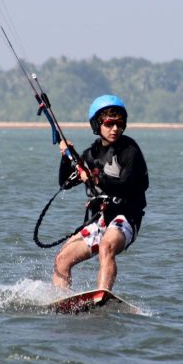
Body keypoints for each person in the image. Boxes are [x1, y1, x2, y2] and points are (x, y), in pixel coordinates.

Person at [52, 94, 149, 291]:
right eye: (109, 123)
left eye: (119, 124)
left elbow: (127, 185)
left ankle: (103, 295)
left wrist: (96, 179)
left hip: (126, 217)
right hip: (101, 219)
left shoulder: (129, 151)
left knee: (107, 246)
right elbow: (65, 183)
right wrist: (66, 157)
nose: (115, 129)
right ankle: (61, 301)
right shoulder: (90, 155)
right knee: (62, 259)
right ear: (97, 125)